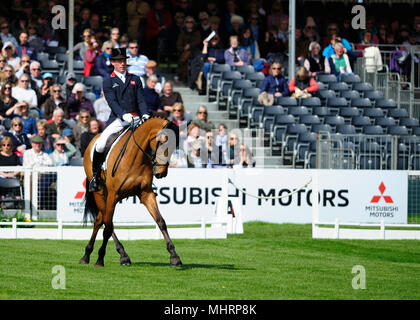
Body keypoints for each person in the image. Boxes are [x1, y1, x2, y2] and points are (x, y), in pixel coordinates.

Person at [89, 47, 149, 192]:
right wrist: (123, 115)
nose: (122, 63)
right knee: (101, 144)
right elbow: (112, 102)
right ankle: (95, 177)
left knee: (150, 143)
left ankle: (148, 176)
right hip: (118, 119)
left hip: (136, 118)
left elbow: (141, 100)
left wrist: (145, 114)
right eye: (119, 61)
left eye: (124, 61)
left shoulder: (135, 79)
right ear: (113, 63)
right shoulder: (108, 81)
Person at [176, 16, 201, 83]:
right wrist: (184, 48)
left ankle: (181, 74)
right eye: (187, 22)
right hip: (184, 52)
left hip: (195, 52)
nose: (189, 24)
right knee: (185, 57)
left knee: (185, 58)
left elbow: (198, 42)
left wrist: (190, 46)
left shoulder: (197, 33)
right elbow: (179, 45)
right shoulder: (182, 33)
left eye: (191, 22)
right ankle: (184, 77)